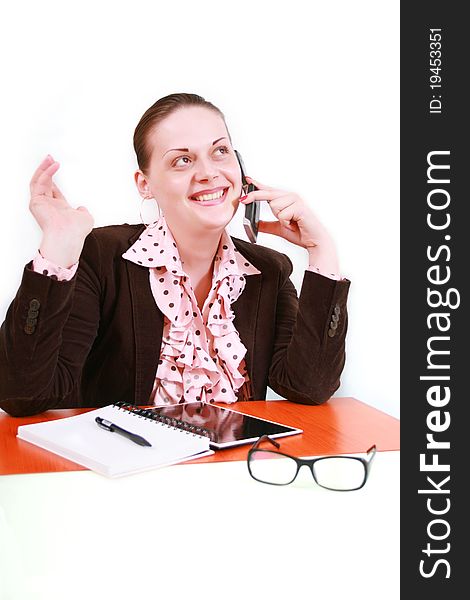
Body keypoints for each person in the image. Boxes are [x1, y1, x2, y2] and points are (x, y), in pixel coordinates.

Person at [0, 93, 350, 417]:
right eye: (183, 160)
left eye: (220, 151)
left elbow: (309, 386)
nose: (209, 173)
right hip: (127, 473)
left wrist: (322, 252)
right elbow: (23, 395)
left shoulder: (268, 270)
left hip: (233, 472)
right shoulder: (100, 256)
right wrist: (57, 252)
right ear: (145, 184)